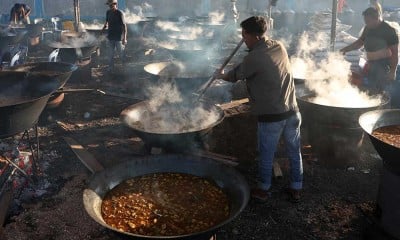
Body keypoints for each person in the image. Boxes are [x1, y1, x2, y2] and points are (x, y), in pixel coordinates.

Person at [216, 16, 303, 203]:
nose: (242, 38)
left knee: (266, 154)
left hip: (271, 115)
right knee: (294, 151)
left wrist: (221, 75)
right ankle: (296, 186)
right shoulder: (278, 46)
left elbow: (234, 76)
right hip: (292, 110)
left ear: (253, 35)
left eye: (244, 35)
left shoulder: (254, 57)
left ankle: (263, 189)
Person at [340, 7, 398, 93]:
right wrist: (344, 50)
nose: (366, 23)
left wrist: (393, 71)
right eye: (365, 21)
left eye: (368, 21)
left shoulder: (388, 30)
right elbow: (359, 43)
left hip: (383, 66)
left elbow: (395, 53)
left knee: (380, 91)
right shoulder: (368, 28)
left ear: (376, 18)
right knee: (368, 89)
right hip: (370, 64)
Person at [102, 0, 127, 72]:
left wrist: (124, 38)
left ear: (115, 4)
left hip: (119, 38)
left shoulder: (120, 13)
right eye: (109, 5)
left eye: (111, 5)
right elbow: (106, 23)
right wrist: (102, 30)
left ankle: (124, 67)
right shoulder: (108, 12)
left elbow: (124, 26)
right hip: (110, 37)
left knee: (121, 54)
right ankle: (111, 68)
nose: (110, 6)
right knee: (110, 55)